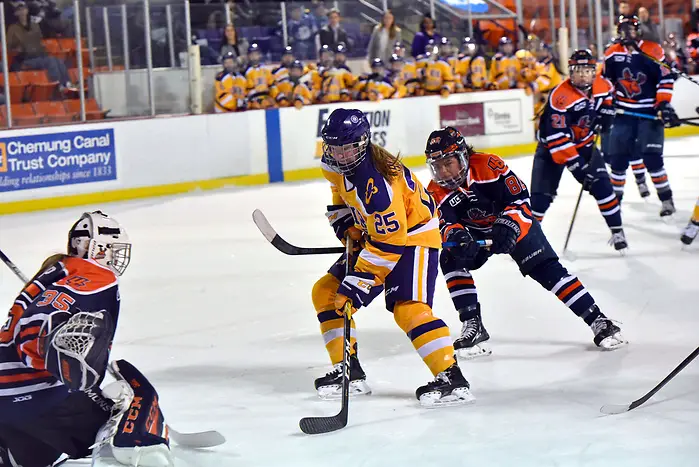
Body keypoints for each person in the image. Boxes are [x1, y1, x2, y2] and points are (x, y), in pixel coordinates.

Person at [312, 109, 474, 407]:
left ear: (363, 143)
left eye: (348, 148)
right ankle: (349, 370)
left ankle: (452, 378)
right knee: (325, 292)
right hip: (382, 234)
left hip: (413, 236)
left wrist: (358, 285)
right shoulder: (332, 164)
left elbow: (391, 242)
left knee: (408, 308)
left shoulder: (377, 185)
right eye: (335, 147)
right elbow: (340, 191)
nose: (341, 155)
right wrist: (346, 223)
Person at [425, 126, 628, 359]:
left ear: (463, 155)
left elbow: (520, 200)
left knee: (548, 270)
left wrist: (509, 225)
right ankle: (473, 324)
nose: (443, 172)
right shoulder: (435, 191)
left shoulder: (490, 165)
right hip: (476, 234)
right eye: (437, 166)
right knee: (451, 258)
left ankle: (598, 320)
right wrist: (458, 237)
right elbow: (444, 224)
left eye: (448, 163)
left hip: (512, 225)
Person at [0, 211, 172, 467]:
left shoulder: (56, 271)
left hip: (9, 400)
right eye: (114, 249)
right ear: (98, 248)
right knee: (117, 412)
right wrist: (53, 349)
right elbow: (34, 329)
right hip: (35, 398)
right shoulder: (97, 277)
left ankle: (13, 452)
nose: (117, 256)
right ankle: (140, 447)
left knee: (35, 455)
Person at [533, 49, 627, 251]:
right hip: (551, 149)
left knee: (603, 187)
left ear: (594, 71)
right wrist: (578, 167)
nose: (583, 74)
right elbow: (557, 137)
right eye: (578, 70)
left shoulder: (603, 86)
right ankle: (527, 240)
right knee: (540, 200)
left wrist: (608, 114)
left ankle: (617, 231)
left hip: (584, 144)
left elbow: (609, 101)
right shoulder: (560, 96)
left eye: (587, 70)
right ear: (570, 72)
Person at [603, 16, 679, 217]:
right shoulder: (611, 53)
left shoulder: (652, 50)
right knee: (617, 159)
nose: (628, 34)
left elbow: (665, 78)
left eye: (632, 29)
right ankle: (614, 203)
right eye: (624, 30)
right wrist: (606, 105)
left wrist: (663, 103)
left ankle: (666, 199)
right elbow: (605, 83)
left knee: (652, 159)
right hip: (623, 113)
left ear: (639, 31)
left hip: (648, 112)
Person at [7, 1, 75, 93]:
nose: (23, 11)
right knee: (51, 62)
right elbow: (10, 47)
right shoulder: (13, 28)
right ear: (16, 13)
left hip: (38, 55)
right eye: (20, 10)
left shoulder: (34, 26)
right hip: (24, 60)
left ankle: (67, 83)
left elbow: (39, 40)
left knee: (57, 60)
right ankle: (57, 84)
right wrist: (19, 48)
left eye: (24, 8)